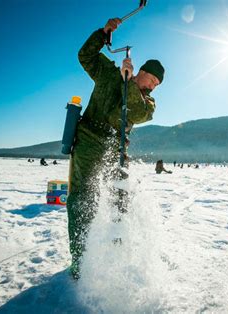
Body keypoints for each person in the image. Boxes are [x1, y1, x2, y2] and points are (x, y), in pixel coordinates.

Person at [67, 17, 165, 280]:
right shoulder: (110, 74)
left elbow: (134, 111)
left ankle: (115, 256)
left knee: (118, 203)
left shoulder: (148, 102)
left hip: (115, 151)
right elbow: (85, 56)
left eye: (157, 84)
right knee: (81, 200)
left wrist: (131, 83)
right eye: (152, 79)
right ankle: (80, 261)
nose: (153, 85)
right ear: (142, 70)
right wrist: (104, 33)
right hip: (88, 140)